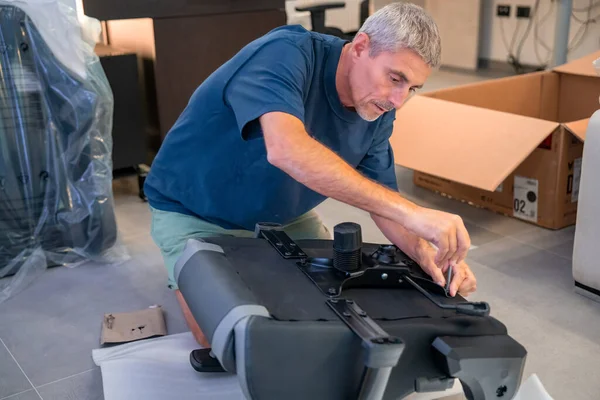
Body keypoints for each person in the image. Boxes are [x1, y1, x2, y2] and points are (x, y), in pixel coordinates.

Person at [144, 3, 477, 347]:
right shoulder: (285, 54)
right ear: (361, 46)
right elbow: (286, 148)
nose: (398, 100)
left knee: (329, 308)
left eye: (412, 89)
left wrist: (428, 254)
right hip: (194, 210)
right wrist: (415, 213)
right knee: (225, 335)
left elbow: (383, 199)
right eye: (395, 79)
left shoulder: (378, 109)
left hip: (284, 216)